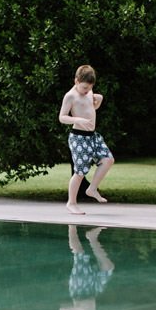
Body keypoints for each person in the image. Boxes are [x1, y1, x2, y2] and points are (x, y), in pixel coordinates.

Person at [58, 64, 115, 215]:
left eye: (89, 88)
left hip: (93, 136)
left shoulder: (89, 92)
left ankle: (92, 188)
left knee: (108, 160)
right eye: (84, 88)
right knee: (80, 172)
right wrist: (78, 120)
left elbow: (91, 108)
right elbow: (62, 117)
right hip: (78, 137)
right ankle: (71, 203)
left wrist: (99, 100)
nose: (86, 91)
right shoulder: (70, 96)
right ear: (76, 81)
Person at [59, 225, 114, 310]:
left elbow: (63, 309)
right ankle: (92, 238)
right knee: (108, 267)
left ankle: (71, 227)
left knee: (79, 254)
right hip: (93, 292)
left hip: (79, 290)